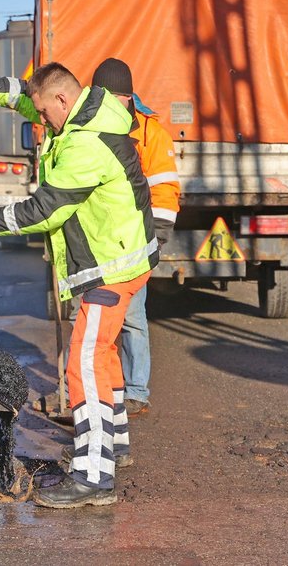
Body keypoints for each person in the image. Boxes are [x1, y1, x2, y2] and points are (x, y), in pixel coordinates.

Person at [0, 62, 158, 508]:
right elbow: (28, 93)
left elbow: (45, 210)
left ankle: (94, 478)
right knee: (104, 353)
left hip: (111, 266)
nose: (40, 121)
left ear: (63, 101)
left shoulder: (86, 144)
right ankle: (113, 444)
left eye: (44, 114)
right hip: (124, 257)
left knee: (83, 364)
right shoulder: (85, 107)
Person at [90, 58, 181, 416]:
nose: (114, 102)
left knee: (131, 317)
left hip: (135, 240)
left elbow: (164, 186)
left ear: (130, 97)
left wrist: (156, 236)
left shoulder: (149, 133)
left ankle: (136, 390)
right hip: (96, 239)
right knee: (93, 317)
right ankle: (99, 385)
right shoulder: (85, 126)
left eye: (120, 96)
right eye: (106, 96)